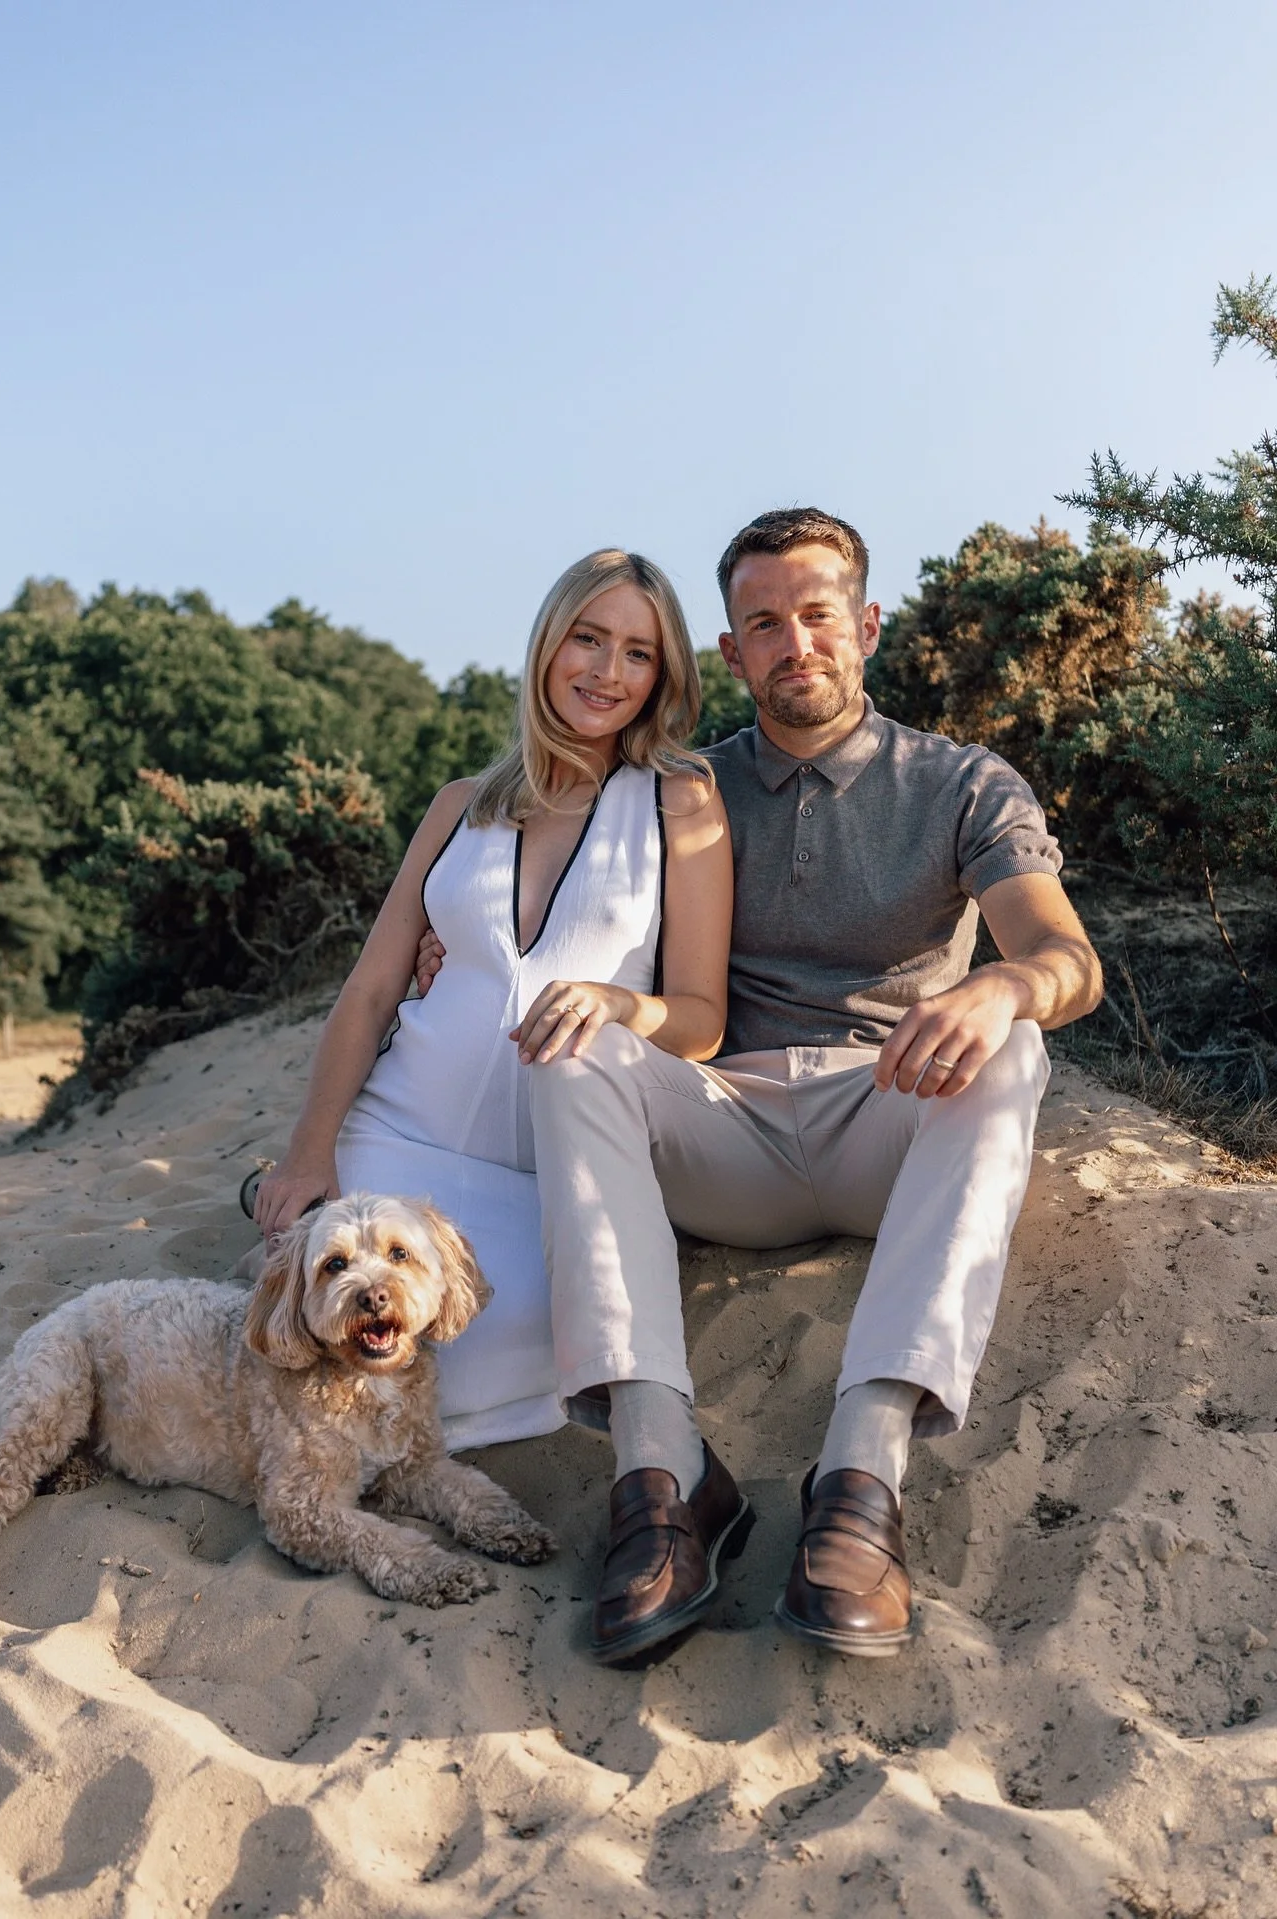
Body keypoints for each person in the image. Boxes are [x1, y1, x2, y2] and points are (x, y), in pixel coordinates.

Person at [421, 505, 1102, 1664]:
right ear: (733, 653)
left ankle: (862, 1478)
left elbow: (1067, 959)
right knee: (573, 1045)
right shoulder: (680, 786)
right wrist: (449, 945)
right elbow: (543, 853)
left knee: (1016, 1045)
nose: (798, 643)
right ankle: (662, 1475)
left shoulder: (959, 783)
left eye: (819, 614)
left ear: (867, 625)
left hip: (889, 1114)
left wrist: (1004, 985)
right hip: (720, 1124)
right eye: (766, 625)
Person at [254, 549, 733, 1453]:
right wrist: (309, 1152)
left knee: (476, 1354)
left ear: (662, 675)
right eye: (588, 638)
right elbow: (372, 989)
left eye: (638, 653)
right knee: (317, 1323)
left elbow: (703, 1018)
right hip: (391, 1141)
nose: (607, 671)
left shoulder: (680, 802)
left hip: (548, 1181)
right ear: (548, 643)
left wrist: (620, 1005)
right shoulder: (458, 806)